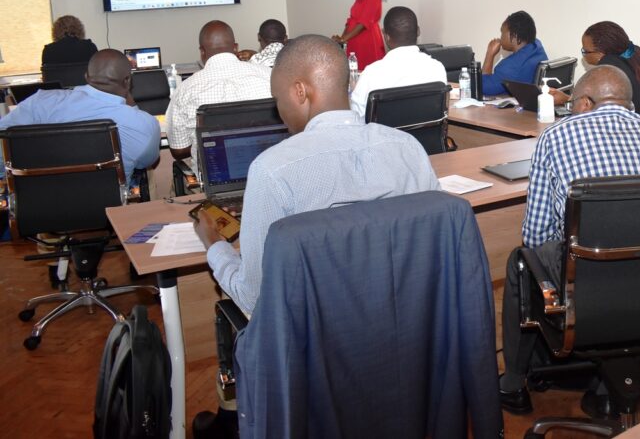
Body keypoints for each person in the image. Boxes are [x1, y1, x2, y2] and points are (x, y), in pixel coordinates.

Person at [193, 34, 440, 314]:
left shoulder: (272, 170)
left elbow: (255, 297)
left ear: (300, 91)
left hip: (318, 346)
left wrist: (213, 244)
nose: (279, 111)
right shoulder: (408, 149)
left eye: (277, 99)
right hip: (409, 325)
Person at [497, 65, 640, 414]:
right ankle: (603, 386)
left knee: (521, 261)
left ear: (585, 102)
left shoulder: (556, 137)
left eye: (572, 103)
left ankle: (513, 382)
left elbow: (536, 234)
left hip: (586, 276)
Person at [1, 49, 160, 174]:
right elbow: (147, 162)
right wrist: (129, 100)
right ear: (127, 81)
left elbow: (3, 147)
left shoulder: (39, 102)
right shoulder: (143, 124)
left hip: (34, 209)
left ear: (86, 77)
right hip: (109, 210)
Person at [165, 20, 271, 161]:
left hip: (215, 175)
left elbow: (178, 150)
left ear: (202, 51)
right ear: (235, 48)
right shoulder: (268, 76)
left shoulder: (184, 90)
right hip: (268, 167)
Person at [349, 6, 447, 118]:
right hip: (426, 135)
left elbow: (356, 117)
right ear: (418, 31)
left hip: (384, 135)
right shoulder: (437, 68)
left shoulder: (371, 73)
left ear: (386, 36)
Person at [572, 21, 640, 115]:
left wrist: (566, 101)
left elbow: (594, 109)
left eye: (585, 51)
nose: (584, 55)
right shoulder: (624, 61)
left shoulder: (608, 69)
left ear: (600, 53)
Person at [332, 0, 387, 70]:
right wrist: (342, 38)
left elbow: (363, 24)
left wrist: (343, 39)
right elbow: (351, 19)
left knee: (367, 71)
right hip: (355, 40)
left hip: (367, 41)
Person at [481, 11, 548, 96]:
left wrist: (489, 54)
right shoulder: (537, 47)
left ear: (514, 36)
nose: (500, 37)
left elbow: (483, 87)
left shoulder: (511, 67)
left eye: (502, 32)